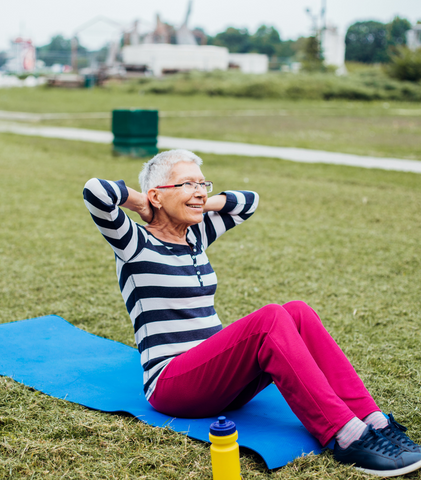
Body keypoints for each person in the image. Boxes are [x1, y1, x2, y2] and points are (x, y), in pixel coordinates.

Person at [83, 149, 421, 477]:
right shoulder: (134, 242)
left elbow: (249, 202)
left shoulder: (195, 235)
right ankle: (346, 436)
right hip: (173, 385)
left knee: (297, 313)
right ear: (156, 195)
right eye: (188, 184)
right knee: (270, 318)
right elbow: (96, 191)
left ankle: (373, 420)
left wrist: (193, 199)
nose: (200, 192)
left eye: (203, 184)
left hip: (215, 381)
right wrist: (144, 202)